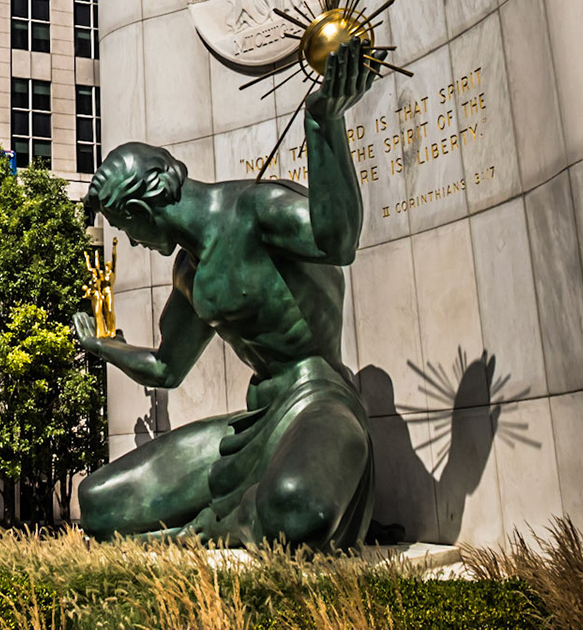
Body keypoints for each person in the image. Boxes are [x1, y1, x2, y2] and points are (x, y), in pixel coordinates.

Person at [73, 39, 379, 548]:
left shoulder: (257, 209)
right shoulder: (189, 275)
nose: (132, 242)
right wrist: (103, 345)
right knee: (98, 500)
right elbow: (167, 368)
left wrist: (324, 121)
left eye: (127, 229)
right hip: (257, 420)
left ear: (144, 212)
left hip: (320, 404)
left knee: (298, 509)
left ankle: (216, 524)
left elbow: (338, 239)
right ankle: (233, 514)